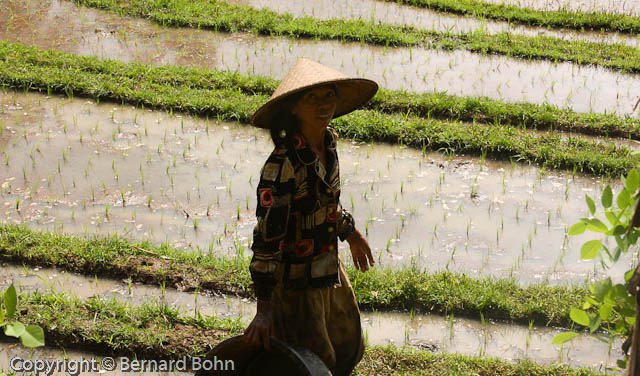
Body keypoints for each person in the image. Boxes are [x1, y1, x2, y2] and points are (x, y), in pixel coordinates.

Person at [243, 57, 378, 375]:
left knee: (348, 344)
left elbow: (327, 203)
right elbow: (267, 237)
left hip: (327, 265)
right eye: (312, 98)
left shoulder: (328, 143)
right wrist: (265, 309)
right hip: (295, 281)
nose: (323, 105)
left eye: (328, 96)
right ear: (294, 108)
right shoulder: (283, 164)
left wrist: (351, 233)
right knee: (313, 361)